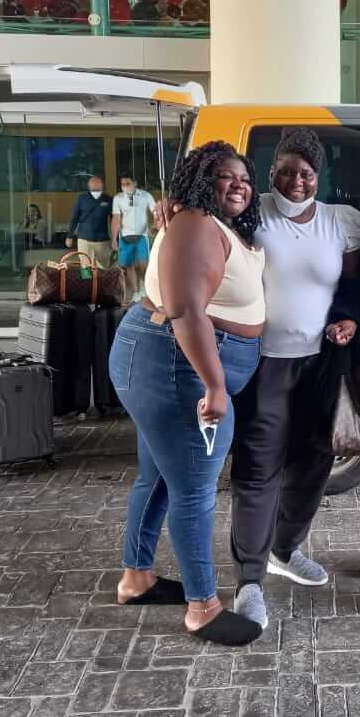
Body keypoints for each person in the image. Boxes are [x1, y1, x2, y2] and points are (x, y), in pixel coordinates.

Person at [109, 141, 266, 646]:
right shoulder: (197, 223)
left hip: (170, 362)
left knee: (157, 477)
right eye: (225, 175)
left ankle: (137, 578)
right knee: (194, 489)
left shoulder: (209, 224)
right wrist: (216, 385)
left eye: (244, 176)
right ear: (202, 181)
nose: (238, 183)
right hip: (179, 367)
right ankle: (202, 607)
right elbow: (186, 311)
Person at [228, 127, 360, 630]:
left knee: (314, 463)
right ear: (270, 173)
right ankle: (248, 580)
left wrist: (349, 318)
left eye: (305, 173)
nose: (294, 181)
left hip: (321, 363)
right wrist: (172, 211)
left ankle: (284, 549)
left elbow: (352, 286)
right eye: (284, 171)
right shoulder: (252, 211)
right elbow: (208, 224)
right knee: (259, 468)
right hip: (266, 363)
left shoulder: (340, 223)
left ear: (318, 176)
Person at [112, 174, 157, 302]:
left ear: (135, 183)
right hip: (125, 236)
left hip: (142, 235)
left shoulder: (145, 196)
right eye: (123, 184)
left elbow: (155, 212)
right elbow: (116, 218)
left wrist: (153, 227)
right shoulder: (118, 198)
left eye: (128, 183)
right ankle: (136, 292)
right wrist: (114, 238)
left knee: (144, 264)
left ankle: (144, 285)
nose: (125, 186)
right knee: (129, 265)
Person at [66, 175, 113, 268]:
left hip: (103, 241)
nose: (95, 186)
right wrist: (69, 236)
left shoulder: (108, 199)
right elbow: (74, 218)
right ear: (89, 186)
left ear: (102, 185)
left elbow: (114, 220)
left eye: (97, 183)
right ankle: (87, 282)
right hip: (84, 240)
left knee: (104, 268)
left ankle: (102, 283)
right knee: (85, 268)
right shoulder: (82, 198)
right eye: (93, 184)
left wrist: (115, 239)